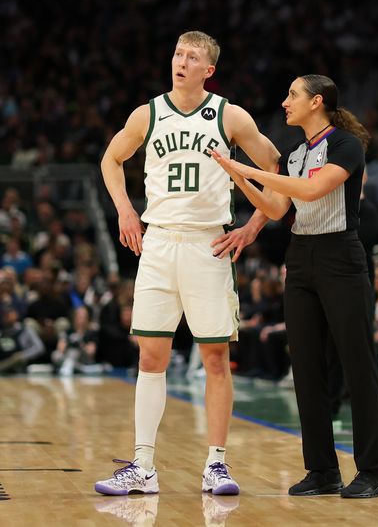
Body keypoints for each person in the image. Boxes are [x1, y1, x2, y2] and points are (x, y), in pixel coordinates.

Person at [94, 31, 281, 497]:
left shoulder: (229, 115)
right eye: (178, 53)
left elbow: (275, 165)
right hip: (157, 243)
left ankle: (217, 464)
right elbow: (110, 160)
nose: (181, 61)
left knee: (215, 358)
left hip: (208, 245)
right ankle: (143, 466)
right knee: (150, 357)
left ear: (209, 70)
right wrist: (124, 209)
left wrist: (252, 226)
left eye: (192, 57)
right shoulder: (147, 113)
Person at [211, 74, 378, 498]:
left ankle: (373, 472)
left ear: (318, 101)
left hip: (341, 257)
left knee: (356, 364)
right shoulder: (293, 154)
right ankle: (322, 470)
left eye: (293, 94)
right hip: (302, 258)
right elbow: (276, 207)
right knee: (306, 367)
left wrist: (247, 168)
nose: (285, 102)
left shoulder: (345, 143)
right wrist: (236, 176)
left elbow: (313, 190)